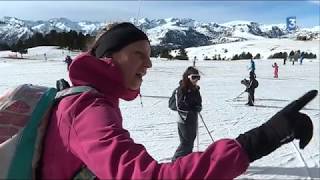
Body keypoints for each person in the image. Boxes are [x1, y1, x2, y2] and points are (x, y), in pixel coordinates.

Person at [39, 22, 317, 179]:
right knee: (185, 143)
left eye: (149, 55)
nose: (148, 64)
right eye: (139, 54)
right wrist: (259, 140)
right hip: (186, 119)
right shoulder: (88, 109)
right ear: (109, 56)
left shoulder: (89, 100)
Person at [172, 66, 202, 161]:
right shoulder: (181, 89)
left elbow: (198, 102)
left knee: (190, 142)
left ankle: (184, 161)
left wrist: (198, 107)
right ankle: (176, 161)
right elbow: (179, 105)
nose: (196, 80)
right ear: (187, 77)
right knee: (186, 143)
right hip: (184, 119)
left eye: (198, 77)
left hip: (193, 118)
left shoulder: (195, 89)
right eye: (194, 77)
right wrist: (192, 108)